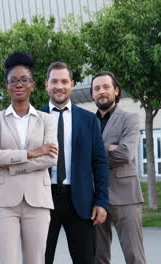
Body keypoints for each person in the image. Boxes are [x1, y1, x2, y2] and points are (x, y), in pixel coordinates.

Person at [0, 52, 58, 264]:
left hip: (37, 200)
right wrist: (31, 153)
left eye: (24, 80)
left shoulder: (46, 120)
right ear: (7, 86)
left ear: (33, 85)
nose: (19, 84)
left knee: (35, 261)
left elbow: (50, 158)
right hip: (3, 201)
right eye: (13, 80)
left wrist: (9, 163)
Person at [42, 62, 109, 264]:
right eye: (54, 81)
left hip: (80, 201)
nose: (59, 86)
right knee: (40, 259)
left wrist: (101, 201)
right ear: (46, 85)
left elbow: (99, 163)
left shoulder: (88, 120)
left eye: (64, 81)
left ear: (72, 84)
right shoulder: (36, 117)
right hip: (43, 200)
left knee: (85, 260)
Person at [91, 71, 146, 264]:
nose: (101, 92)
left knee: (134, 256)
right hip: (96, 198)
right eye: (97, 88)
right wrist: (111, 148)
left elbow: (125, 153)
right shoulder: (88, 122)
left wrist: (97, 151)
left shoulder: (130, 118)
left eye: (106, 87)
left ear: (116, 90)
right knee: (99, 257)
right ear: (92, 95)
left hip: (126, 197)